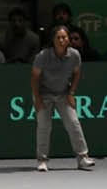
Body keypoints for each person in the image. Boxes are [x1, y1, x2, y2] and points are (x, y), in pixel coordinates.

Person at [32, 27, 93, 173]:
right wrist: (37, 98)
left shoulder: (75, 55)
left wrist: (71, 93)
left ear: (68, 40)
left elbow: (76, 73)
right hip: (44, 94)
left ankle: (82, 158)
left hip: (63, 94)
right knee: (44, 127)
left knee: (73, 123)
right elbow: (35, 78)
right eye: (58, 37)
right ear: (53, 40)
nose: (61, 40)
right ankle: (42, 160)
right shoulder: (42, 56)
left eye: (64, 37)